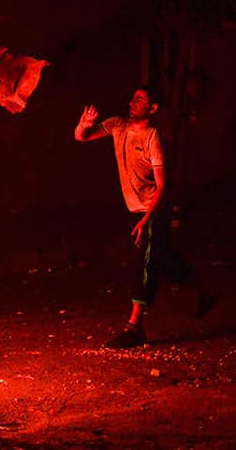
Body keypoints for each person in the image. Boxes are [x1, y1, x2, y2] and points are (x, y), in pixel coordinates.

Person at [74, 85, 216, 349]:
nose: (132, 102)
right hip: (135, 210)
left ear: (153, 108)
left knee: (143, 265)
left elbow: (162, 186)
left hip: (152, 211)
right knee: (163, 260)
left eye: (140, 100)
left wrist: (145, 219)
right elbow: (81, 137)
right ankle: (204, 290)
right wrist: (84, 124)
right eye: (133, 98)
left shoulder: (153, 139)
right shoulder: (117, 125)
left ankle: (134, 327)